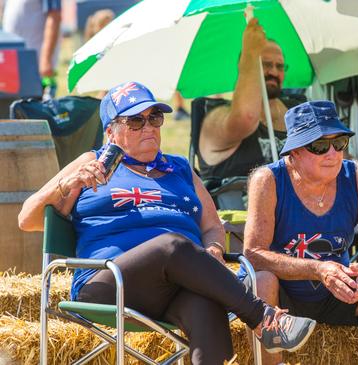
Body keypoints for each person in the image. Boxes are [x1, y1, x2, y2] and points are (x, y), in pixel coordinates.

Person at [18, 81, 316, 364]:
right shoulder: (91, 164)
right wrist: (66, 185)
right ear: (110, 132)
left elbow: (212, 226)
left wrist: (212, 249)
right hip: (110, 282)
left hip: (171, 287)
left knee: (206, 307)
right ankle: (263, 318)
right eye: (135, 121)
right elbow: (26, 219)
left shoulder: (181, 169)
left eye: (154, 117)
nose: (148, 127)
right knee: (172, 245)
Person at [198, 17, 358, 262]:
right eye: (264, 63)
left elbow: (337, 150)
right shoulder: (216, 118)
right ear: (244, 65)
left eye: (280, 66)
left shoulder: (298, 109)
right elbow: (246, 115)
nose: (273, 72)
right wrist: (250, 50)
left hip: (326, 201)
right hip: (261, 215)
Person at [243, 100, 358, 365]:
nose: (332, 153)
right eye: (319, 145)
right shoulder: (268, 180)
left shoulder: (357, 177)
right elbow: (253, 255)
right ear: (293, 153)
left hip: (338, 294)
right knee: (262, 281)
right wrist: (317, 270)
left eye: (339, 143)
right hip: (284, 296)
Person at [2, 0, 62, 98]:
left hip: (35, 63)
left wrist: (46, 60)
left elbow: (54, 16)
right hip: (13, 62)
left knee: (34, 108)